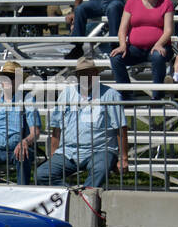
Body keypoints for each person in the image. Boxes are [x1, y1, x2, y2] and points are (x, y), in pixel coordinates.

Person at [35, 58, 128, 188]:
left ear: (96, 74)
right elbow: (56, 127)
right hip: (68, 151)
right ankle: (76, 195)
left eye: (89, 73)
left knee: (100, 169)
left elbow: (121, 128)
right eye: (82, 74)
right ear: (77, 76)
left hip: (100, 150)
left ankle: (85, 195)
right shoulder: (66, 94)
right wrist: (53, 152)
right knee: (42, 174)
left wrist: (123, 158)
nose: (86, 78)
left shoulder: (110, 94)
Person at [108, 0, 175, 99]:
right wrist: (122, 45)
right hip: (135, 49)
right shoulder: (132, 2)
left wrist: (159, 44)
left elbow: (168, 30)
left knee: (158, 56)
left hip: (159, 47)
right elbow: (122, 29)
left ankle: (157, 97)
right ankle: (126, 95)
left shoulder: (166, 3)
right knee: (115, 57)